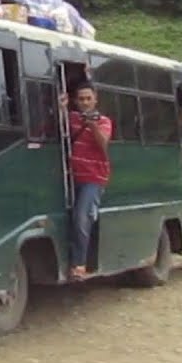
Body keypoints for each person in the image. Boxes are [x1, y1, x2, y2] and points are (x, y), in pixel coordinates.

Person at [59, 83, 113, 280]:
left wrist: (92, 126)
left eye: (88, 99)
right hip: (71, 176)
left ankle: (79, 264)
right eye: (81, 99)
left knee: (82, 217)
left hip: (93, 178)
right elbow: (59, 126)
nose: (84, 102)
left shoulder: (104, 121)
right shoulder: (72, 119)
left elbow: (103, 145)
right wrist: (62, 107)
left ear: (95, 99)